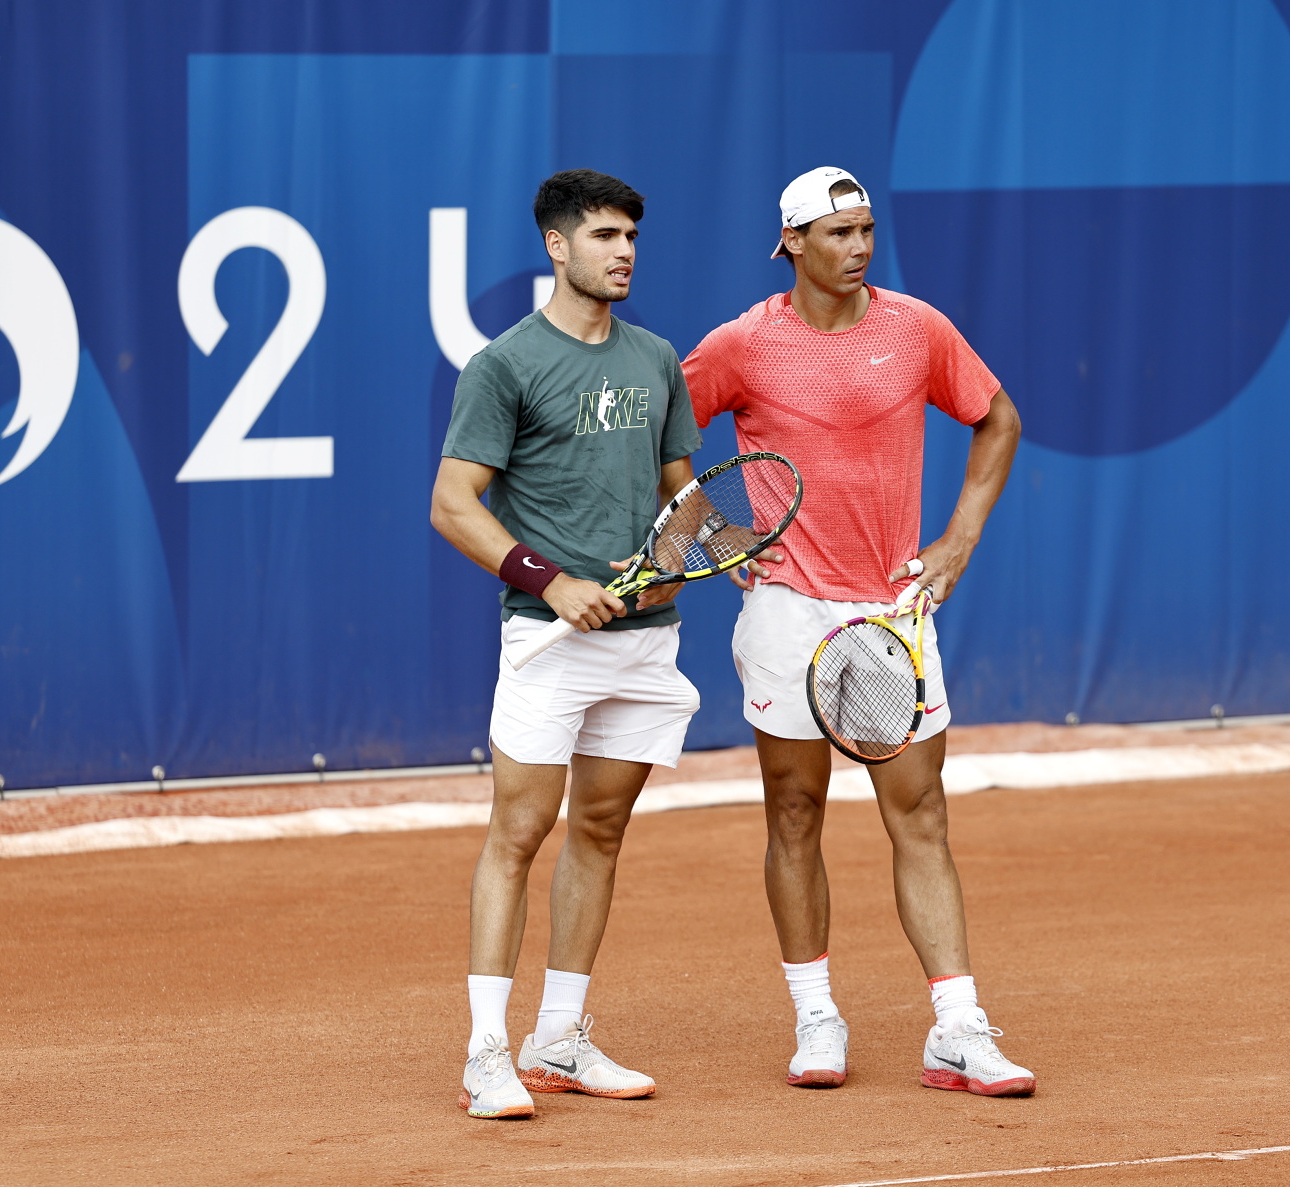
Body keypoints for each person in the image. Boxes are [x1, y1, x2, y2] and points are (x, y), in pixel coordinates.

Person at [682, 166, 1032, 1095]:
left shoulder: (916, 328)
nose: (859, 247)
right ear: (791, 242)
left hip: (892, 612)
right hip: (787, 612)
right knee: (793, 813)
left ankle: (957, 1028)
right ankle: (816, 1016)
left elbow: (997, 419)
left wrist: (957, 540)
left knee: (919, 814)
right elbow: (663, 437)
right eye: (837, 233)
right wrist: (718, 536)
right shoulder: (742, 344)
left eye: (866, 229)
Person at [431, 169, 703, 1119]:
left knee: (600, 829)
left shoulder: (656, 357)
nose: (622, 250)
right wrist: (550, 581)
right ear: (556, 246)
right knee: (518, 832)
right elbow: (452, 506)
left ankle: (560, 1037)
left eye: (630, 235)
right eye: (602, 235)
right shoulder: (503, 366)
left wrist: (677, 556)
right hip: (547, 640)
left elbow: (683, 491)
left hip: (643, 641)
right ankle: (485, 1051)